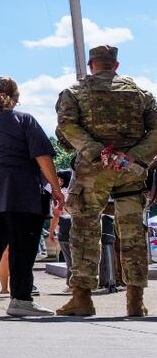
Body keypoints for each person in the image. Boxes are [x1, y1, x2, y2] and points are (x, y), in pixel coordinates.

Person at [55, 45, 157, 317]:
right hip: (130, 172)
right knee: (133, 234)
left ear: (92, 65)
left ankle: (82, 298)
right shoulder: (141, 95)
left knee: (86, 230)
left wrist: (95, 151)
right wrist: (133, 157)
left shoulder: (74, 93)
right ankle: (135, 300)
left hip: (93, 172)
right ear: (116, 65)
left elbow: (66, 125)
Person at [0, 76, 63, 317]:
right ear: (16, 97)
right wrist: (57, 189)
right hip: (19, 190)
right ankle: (20, 298)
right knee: (23, 245)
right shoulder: (23, 119)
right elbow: (42, 156)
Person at [48, 169, 73, 279]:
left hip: (63, 229)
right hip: (75, 227)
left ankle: (70, 283)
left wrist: (51, 232)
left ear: (62, 180)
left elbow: (56, 215)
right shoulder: (72, 192)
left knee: (68, 257)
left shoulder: (60, 195)